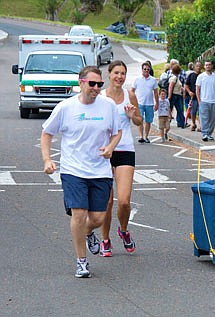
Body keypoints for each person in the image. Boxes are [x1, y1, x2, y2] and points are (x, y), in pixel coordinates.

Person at [41, 66, 122, 278]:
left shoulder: (109, 106)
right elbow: (47, 133)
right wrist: (47, 159)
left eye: (99, 84)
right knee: (78, 214)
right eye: (92, 84)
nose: (96, 88)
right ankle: (81, 261)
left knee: (97, 218)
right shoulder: (66, 107)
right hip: (73, 170)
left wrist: (111, 147)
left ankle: (88, 232)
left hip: (100, 170)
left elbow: (117, 132)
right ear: (81, 82)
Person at [99, 60, 142, 257]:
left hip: (125, 149)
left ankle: (123, 231)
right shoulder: (99, 97)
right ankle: (105, 239)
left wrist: (133, 115)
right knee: (107, 202)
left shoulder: (129, 94)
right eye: (116, 73)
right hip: (104, 151)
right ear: (109, 74)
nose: (119, 77)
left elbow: (140, 120)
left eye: (123, 73)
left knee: (124, 201)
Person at [132, 62, 159, 144]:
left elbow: (155, 93)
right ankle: (141, 136)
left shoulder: (153, 80)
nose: (146, 71)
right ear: (142, 70)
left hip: (149, 103)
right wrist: (133, 102)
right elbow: (132, 91)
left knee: (148, 121)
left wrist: (157, 103)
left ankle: (146, 136)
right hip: (139, 103)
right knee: (140, 120)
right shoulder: (137, 79)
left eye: (148, 69)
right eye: (145, 69)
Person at [196, 60, 215, 142]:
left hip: (214, 101)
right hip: (204, 101)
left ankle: (209, 134)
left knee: (212, 119)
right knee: (204, 118)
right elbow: (197, 89)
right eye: (206, 65)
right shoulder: (201, 76)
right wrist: (199, 100)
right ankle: (204, 134)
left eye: (209, 65)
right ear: (204, 66)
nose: (208, 66)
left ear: (212, 66)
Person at [168, 64, 188, 129]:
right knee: (176, 110)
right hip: (174, 95)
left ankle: (182, 123)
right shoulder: (174, 78)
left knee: (179, 110)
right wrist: (169, 96)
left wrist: (182, 89)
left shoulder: (176, 77)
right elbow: (171, 87)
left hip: (177, 95)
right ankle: (168, 122)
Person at [185, 61, 202, 132]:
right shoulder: (191, 75)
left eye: (199, 66)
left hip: (201, 97)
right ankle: (193, 123)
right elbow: (186, 85)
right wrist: (189, 92)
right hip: (193, 97)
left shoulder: (202, 75)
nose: (198, 67)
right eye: (197, 66)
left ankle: (200, 126)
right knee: (193, 112)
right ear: (194, 67)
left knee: (200, 112)